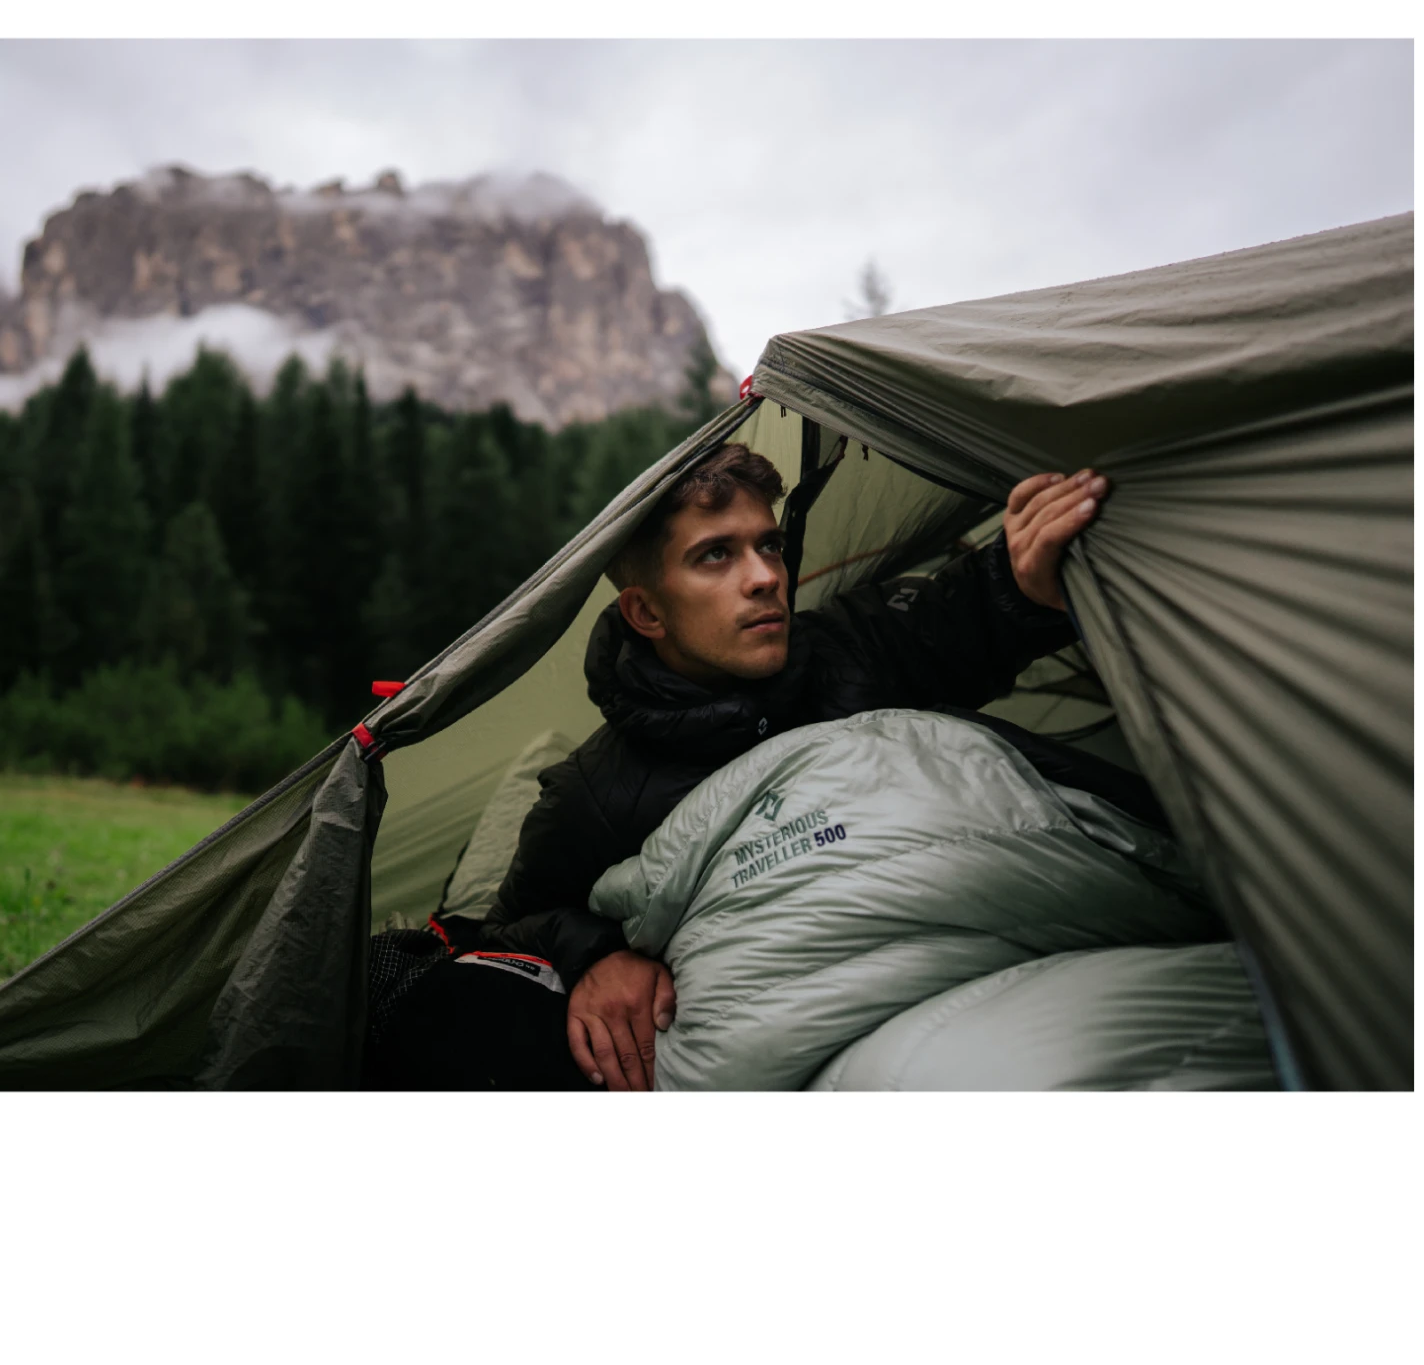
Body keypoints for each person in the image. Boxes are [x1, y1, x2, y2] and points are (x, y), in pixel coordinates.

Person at [367, 443, 1129, 1091]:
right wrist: (597, 955)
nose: (765, 576)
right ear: (647, 613)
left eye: (768, 546)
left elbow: (960, 620)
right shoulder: (594, 793)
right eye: (716, 556)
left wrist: (1020, 577)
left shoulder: (850, 648)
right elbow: (511, 926)